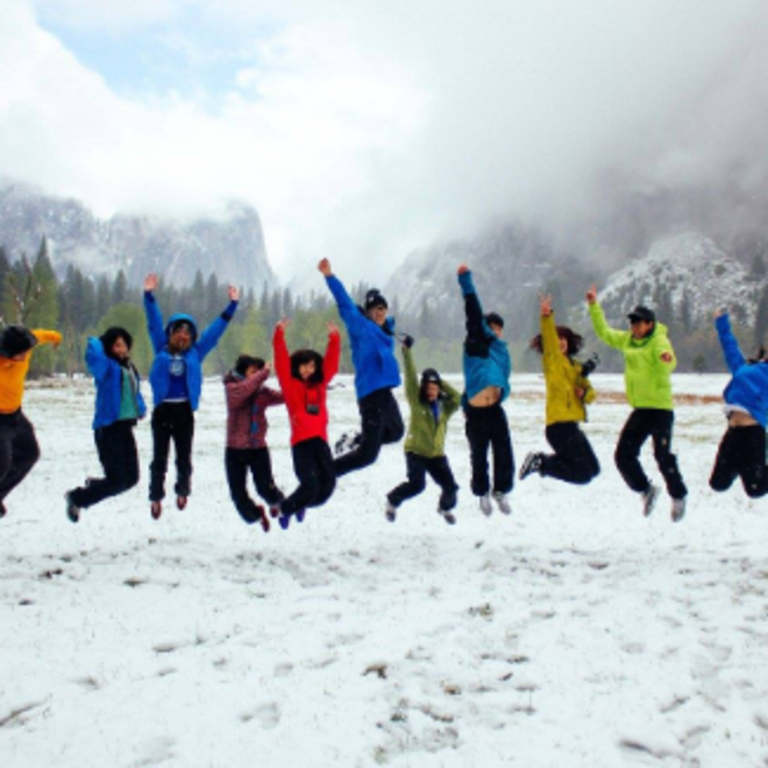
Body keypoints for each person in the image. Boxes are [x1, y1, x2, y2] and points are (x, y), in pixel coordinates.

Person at [586, 285, 687, 521]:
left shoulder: (658, 340)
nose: (634, 327)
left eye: (639, 323)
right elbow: (604, 332)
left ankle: (678, 495)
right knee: (623, 456)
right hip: (641, 410)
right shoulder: (628, 341)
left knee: (662, 456)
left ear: (650, 324)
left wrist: (665, 359)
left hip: (661, 410)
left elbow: (668, 360)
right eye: (632, 323)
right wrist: (593, 305)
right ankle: (646, 490)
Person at [144, 272, 239, 519]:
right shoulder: (160, 346)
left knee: (184, 458)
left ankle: (182, 491)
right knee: (159, 458)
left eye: (188, 333)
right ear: (171, 333)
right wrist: (149, 295)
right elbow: (153, 322)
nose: (183, 336)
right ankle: (155, 497)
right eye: (179, 331)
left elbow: (214, 332)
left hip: (184, 411)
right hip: (163, 410)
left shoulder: (196, 352)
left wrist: (232, 306)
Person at [318, 258, 404, 476]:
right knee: (368, 455)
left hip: (384, 393)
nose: (380, 312)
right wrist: (329, 275)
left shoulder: (387, 333)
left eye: (383, 309)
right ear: (368, 312)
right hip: (370, 395)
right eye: (376, 309)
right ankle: (327, 473)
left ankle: (355, 439)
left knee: (396, 431)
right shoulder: (360, 326)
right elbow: (345, 303)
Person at [65, 328, 147, 523]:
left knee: (132, 479)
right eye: (117, 345)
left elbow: (134, 393)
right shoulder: (107, 368)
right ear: (109, 347)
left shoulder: (129, 367)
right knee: (118, 480)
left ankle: (93, 487)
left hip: (125, 428)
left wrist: (141, 408)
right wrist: (97, 342)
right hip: (108, 430)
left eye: (124, 344)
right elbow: (94, 358)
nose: (122, 349)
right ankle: (77, 498)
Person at [519, 294, 600, 485]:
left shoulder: (575, 368)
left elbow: (591, 393)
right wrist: (547, 317)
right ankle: (541, 463)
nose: (561, 342)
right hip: (558, 427)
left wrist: (584, 393)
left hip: (572, 426)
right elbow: (549, 339)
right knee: (582, 475)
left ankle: (543, 462)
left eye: (564, 338)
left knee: (593, 470)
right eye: (558, 339)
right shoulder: (552, 360)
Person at [457, 264, 514, 516]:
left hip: (495, 409)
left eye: (499, 327)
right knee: (478, 456)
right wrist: (465, 281)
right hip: (477, 412)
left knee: (504, 453)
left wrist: (504, 394)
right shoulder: (475, 343)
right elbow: (473, 311)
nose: (495, 331)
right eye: (491, 326)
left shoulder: (502, 351)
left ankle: (500, 491)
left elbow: (505, 378)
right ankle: (482, 493)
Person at [272, 318, 340, 529]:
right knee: (310, 486)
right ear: (296, 367)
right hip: (302, 443)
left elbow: (331, 365)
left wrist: (335, 339)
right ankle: (285, 509)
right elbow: (281, 361)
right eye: (303, 366)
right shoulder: (290, 385)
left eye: (311, 366)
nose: (308, 370)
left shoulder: (320, 384)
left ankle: (300, 504)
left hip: (320, 442)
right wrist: (279, 335)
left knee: (327, 486)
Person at [385, 338, 461, 524]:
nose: (432, 391)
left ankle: (444, 508)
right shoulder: (417, 402)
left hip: (436, 454)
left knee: (451, 488)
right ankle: (392, 501)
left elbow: (458, 398)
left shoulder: (444, 407)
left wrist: (440, 381)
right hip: (416, 452)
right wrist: (407, 352)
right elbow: (410, 377)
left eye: (435, 388)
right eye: (428, 387)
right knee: (417, 485)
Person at [0, 324, 61, 518]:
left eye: (27, 351)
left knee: (29, 454)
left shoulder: (26, 343)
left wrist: (55, 337)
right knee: (2, 464)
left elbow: (41, 335)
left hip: (16, 415)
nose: (26, 356)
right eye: (20, 354)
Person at [709, 308, 768, 498]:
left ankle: (748, 466)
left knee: (755, 490)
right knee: (718, 483)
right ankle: (744, 465)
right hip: (733, 432)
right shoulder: (743, 368)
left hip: (753, 435)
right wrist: (721, 322)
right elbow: (729, 346)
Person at [223, 355, 285, 531]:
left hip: (258, 448)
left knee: (266, 487)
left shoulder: (262, 392)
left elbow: (285, 397)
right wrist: (264, 372)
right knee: (238, 494)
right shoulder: (232, 388)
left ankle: (283, 505)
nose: (256, 375)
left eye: (258, 372)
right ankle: (256, 515)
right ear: (242, 372)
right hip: (235, 450)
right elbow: (243, 391)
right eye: (252, 372)